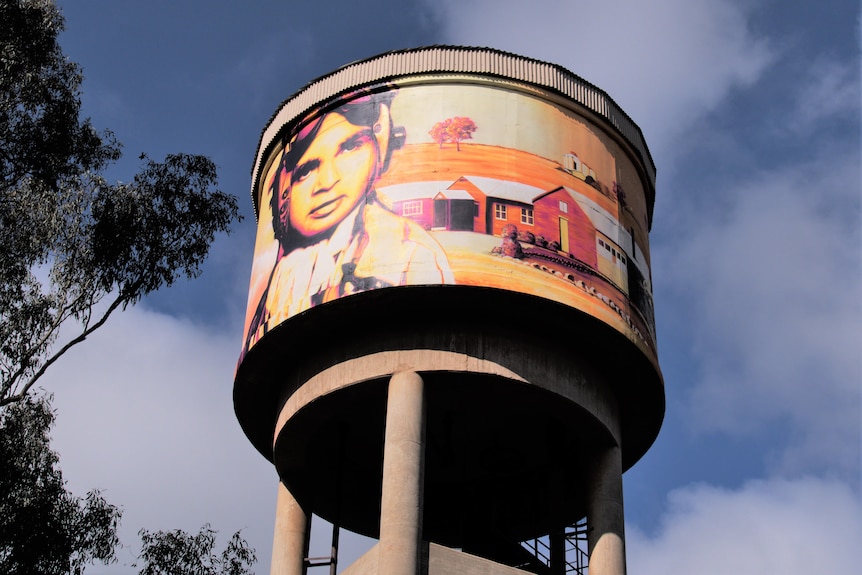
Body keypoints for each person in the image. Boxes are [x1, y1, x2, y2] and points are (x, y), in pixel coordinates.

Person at [243, 88, 453, 354]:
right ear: (282, 192)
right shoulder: (281, 277)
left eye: (351, 147)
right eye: (306, 170)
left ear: (381, 146)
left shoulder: (412, 253)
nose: (328, 182)